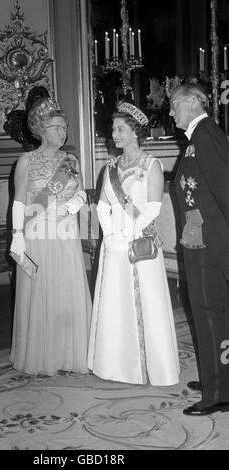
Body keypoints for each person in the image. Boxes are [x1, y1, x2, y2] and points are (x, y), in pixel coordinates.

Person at [88, 101, 180, 386]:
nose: (113, 133)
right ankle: (114, 364)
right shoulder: (111, 167)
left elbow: (153, 208)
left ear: (135, 131)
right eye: (113, 128)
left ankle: (152, 367)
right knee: (114, 302)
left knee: (144, 303)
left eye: (119, 128)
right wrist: (110, 234)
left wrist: (128, 233)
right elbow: (103, 205)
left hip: (138, 242)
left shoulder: (152, 164)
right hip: (114, 243)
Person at [9, 88, 92, 376]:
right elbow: (19, 199)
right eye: (57, 128)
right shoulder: (26, 161)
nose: (63, 132)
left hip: (65, 233)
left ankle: (70, 353)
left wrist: (74, 204)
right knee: (42, 293)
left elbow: (82, 194)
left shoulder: (71, 161)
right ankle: (45, 354)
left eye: (64, 127)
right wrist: (17, 234)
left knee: (67, 292)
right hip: (38, 233)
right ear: (42, 130)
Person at [169, 83, 229, 416]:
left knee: (210, 315)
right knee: (213, 316)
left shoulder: (206, 136)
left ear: (193, 102)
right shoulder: (200, 136)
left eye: (175, 103)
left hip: (210, 248)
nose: (171, 110)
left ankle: (218, 393)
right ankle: (216, 379)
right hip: (202, 243)